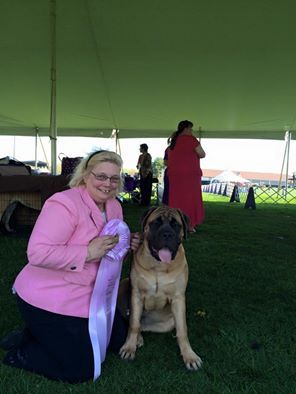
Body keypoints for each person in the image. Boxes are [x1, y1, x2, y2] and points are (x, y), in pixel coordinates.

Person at [0, 150, 140, 383]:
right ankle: (22, 351)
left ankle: (39, 333)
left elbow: (110, 251)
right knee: (81, 369)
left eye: (114, 178)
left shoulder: (114, 206)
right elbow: (37, 253)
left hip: (90, 295)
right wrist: (86, 252)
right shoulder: (64, 203)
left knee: (117, 341)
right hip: (50, 295)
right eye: (101, 176)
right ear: (85, 175)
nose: (108, 184)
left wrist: (126, 244)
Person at [167, 120, 206, 232]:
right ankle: (189, 225)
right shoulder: (191, 140)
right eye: (191, 129)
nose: (192, 131)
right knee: (190, 200)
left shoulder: (173, 142)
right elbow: (202, 154)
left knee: (176, 199)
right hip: (190, 176)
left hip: (175, 176)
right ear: (187, 128)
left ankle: (175, 223)